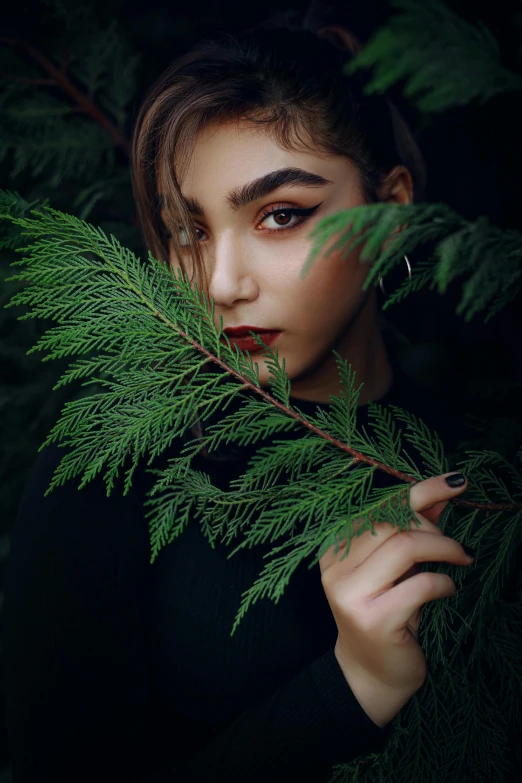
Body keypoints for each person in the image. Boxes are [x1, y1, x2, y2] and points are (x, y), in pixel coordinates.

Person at [3, 6, 475, 782]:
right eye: (189, 230)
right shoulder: (108, 469)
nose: (222, 284)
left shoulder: (484, 460)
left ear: (391, 213)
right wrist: (349, 689)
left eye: (281, 215)